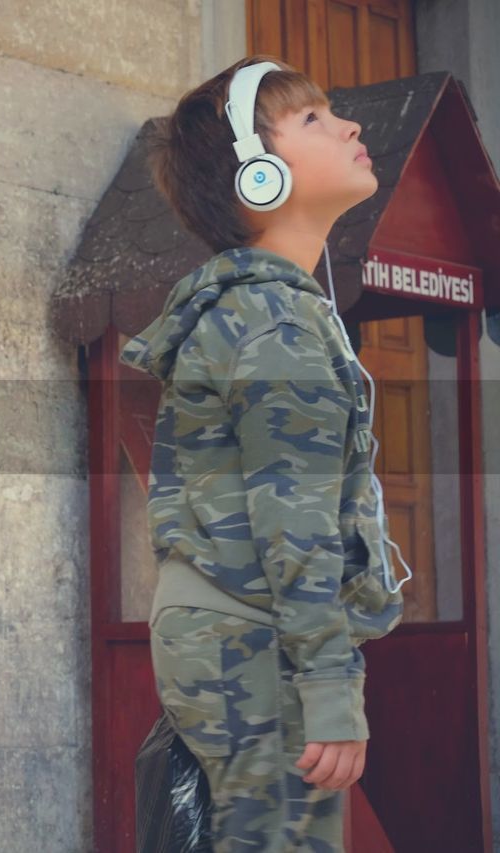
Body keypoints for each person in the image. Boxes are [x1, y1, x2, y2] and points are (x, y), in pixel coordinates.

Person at [119, 54, 410, 851]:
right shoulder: (278, 322)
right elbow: (296, 518)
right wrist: (328, 685)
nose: (348, 124)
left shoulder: (253, 308)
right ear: (256, 178)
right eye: (312, 119)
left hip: (225, 631)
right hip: (256, 641)